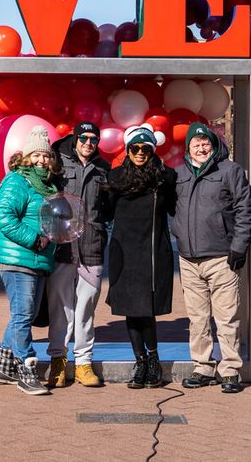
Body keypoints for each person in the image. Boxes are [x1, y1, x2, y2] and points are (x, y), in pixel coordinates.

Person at [172, 122, 251, 394]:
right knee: (197, 319)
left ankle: (230, 369)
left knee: (227, 317)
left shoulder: (229, 171)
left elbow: (246, 210)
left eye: (204, 142)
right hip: (188, 259)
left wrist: (239, 247)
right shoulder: (179, 174)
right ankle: (203, 367)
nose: (200, 147)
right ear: (188, 148)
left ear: (213, 144)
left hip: (222, 258)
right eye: (195, 143)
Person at [106, 124, 176, 389]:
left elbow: (173, 209)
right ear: (127, 149)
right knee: (130, 309)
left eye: (145, 148)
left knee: (147, 309)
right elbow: (107, 213)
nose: (139, 152)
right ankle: (141, 361)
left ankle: (154, 361)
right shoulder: (115, 178)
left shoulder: (165, 177)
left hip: (153, 251)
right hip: (124, 252)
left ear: (152, 150)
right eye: (134, 148)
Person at [0, 125, 59, 395]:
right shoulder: (17, 180)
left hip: (37, 259)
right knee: (23, 315)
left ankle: (4, 368)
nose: (42, 160)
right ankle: (26, 369)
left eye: (46, 155)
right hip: (17, 258)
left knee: (24, 315)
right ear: (27, 156)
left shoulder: (48, 185)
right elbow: (4, 217)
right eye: (37, 155)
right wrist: (34, 238)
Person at [46, 122, 112, 388]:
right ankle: (57, 362)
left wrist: (98, 228)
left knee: (86, 309)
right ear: (75, 139)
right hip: (62, 247)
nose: (88, 143)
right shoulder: (57, 164)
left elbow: (109, 208)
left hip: (91, 248)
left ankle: (84, 363)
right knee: (60, 308)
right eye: (83, 137)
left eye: (93, 139)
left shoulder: (104, 169)